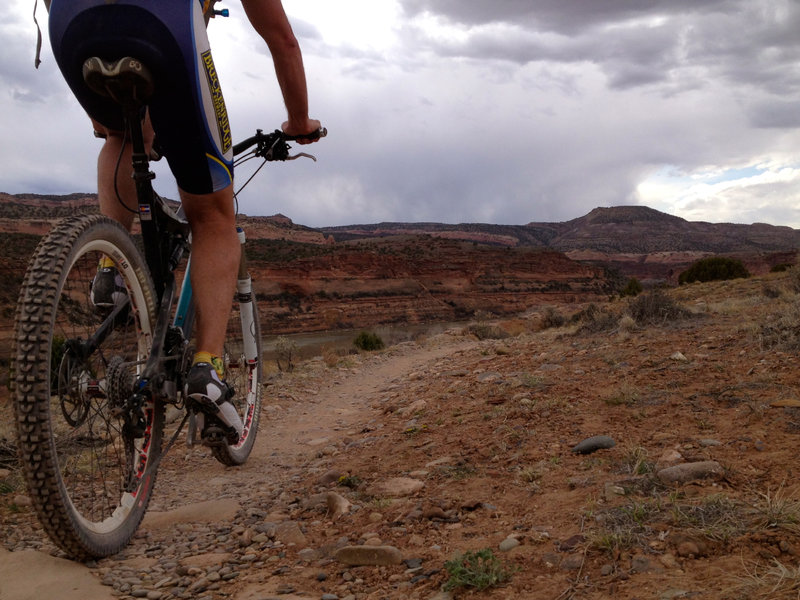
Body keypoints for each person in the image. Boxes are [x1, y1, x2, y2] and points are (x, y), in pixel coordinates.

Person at [46, 0, 321, 443]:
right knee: (212, 216)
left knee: (121, 133)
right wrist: (299, 121)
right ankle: (206, 369)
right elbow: (283, 41)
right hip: (164, 24)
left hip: (72, 24)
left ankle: (110, 270)